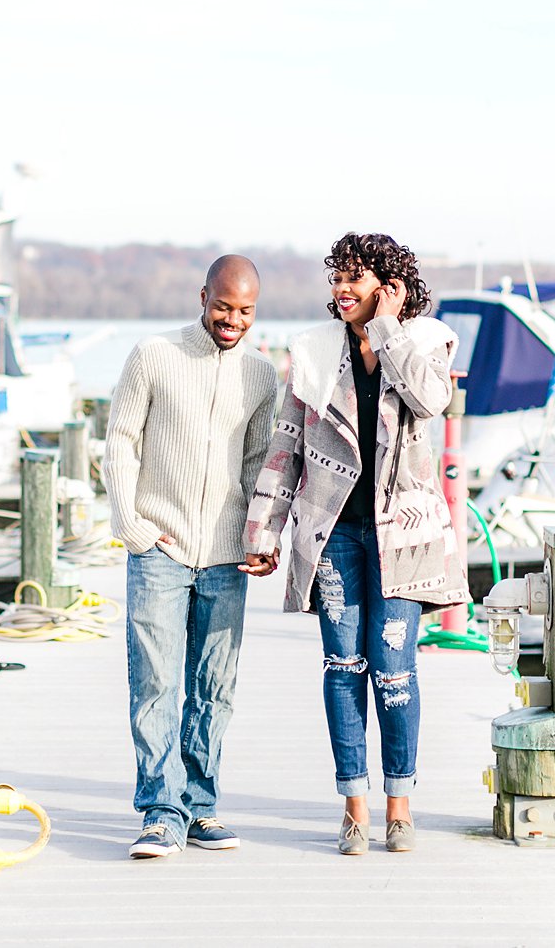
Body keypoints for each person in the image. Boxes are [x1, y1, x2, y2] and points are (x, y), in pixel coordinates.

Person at [244, 232, 466, 856]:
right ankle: (354, 807)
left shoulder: (427, 341)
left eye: (355, 278)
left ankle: (400, 806)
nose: (341, 289)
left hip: (406, 538)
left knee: (393, 668)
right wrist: (263, 531)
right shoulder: (313, 354)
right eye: (336, 277)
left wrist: (390, 330)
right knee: (344, 668)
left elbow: (430, 400)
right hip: (335, 532)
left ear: (388, 286)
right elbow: (286, 447)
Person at [103, 255, 279, 859]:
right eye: (224, 306)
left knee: (214, 686)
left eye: (246, 311)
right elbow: (121, 440)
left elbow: (260, 466)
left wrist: (263, 537)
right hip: (160, 546)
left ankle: (199, 806)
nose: (233, 319)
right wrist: (131, 523)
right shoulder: (154, 355)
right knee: (155, 681)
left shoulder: (261, 377)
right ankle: (159, 811)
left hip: (228, 555)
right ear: (203, 296)